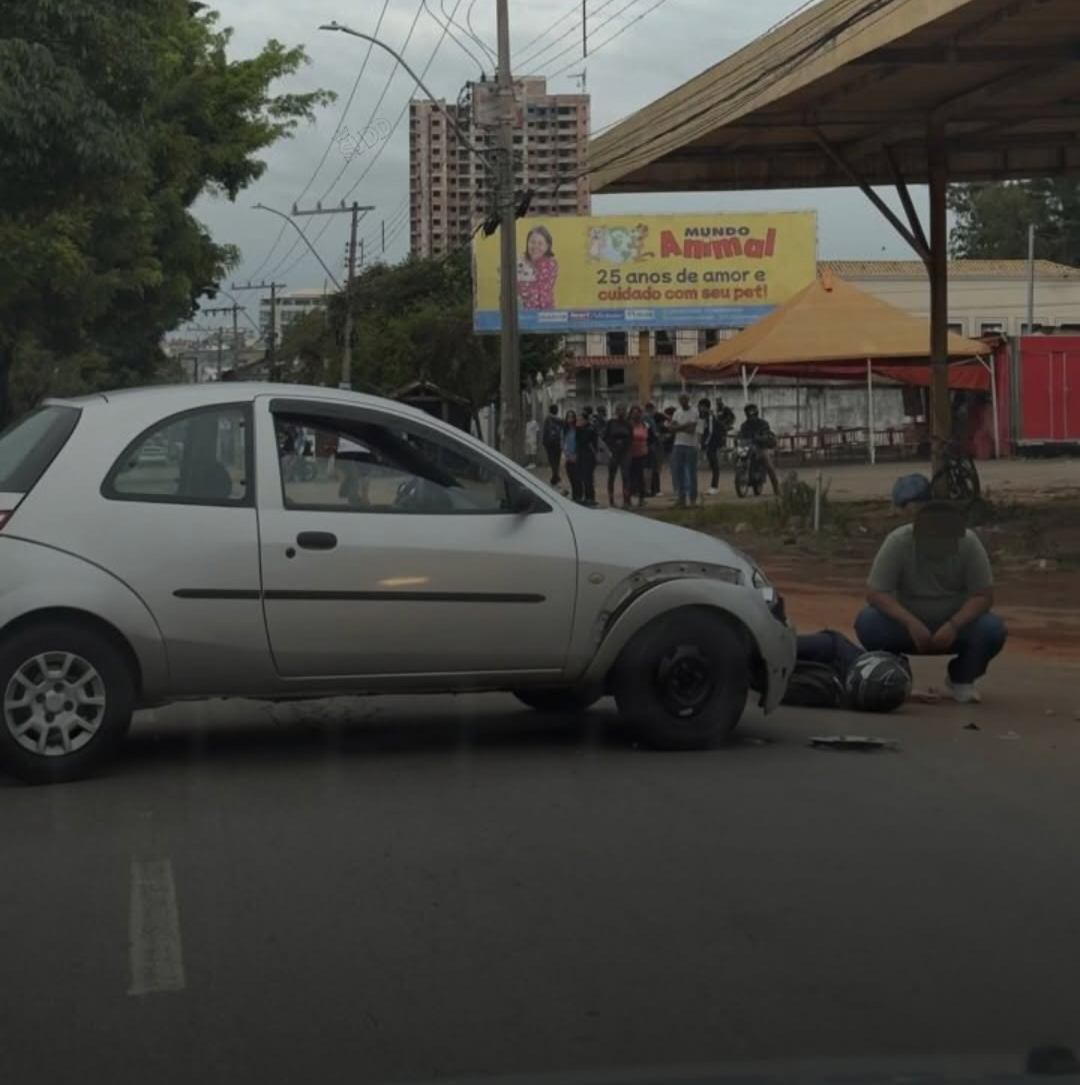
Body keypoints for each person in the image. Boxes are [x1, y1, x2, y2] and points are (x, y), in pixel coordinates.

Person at [854, 474, 1008, 704]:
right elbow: (876, 593)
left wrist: (953, 625)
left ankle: (962, 678)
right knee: (868, 622)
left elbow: (983, 596)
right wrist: (911, 622)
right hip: (907, 627)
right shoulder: (898, 542)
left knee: (992, 629)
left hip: (955, 625)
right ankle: (896, 675)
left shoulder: (969, 544)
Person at [737, 404, 780, 496]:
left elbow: (766, 433)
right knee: (735, 455)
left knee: (769, 466)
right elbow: (741, 435)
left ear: (756, 412)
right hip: (747, 447)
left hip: (760, 448)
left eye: (752, 411)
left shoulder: (763, 423)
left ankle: (776, 488)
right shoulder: (744, 425)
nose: (751, 413)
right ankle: (740, 476)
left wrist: (762, 437)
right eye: (749, 411)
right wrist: (738, 438)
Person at [669, 392, 701, 507]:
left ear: (688, 400)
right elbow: (671, 428)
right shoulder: (677, 412)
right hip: (678, 444)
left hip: (691, 445)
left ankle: (693, 499)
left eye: (684, 399)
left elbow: (691, 429)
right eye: (680, 399)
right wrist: (684, 426)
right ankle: (681, 498)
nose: (682, 401)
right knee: (678, 472)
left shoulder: (694, 411)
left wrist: (678, 427)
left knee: (692, 473)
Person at [516, 226, 558, 310]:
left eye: (540, 243)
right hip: (521, 313)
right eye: (532, 242)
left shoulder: (551, 264)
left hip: (544, 314)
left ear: (547, 246)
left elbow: (536, 288)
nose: (535, 246)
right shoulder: (519, 260)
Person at [603, 403, 633, 507]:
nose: (620, 411)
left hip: (625, 453)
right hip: (613, 453)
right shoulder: (611, 423)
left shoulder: (628, 424)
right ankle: (611, 500)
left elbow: (631, 438)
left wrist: (628, 451)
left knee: (626, 476)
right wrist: (609, 449)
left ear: (625, 412)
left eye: (622, 410)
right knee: (611, 476)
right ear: (615, 411)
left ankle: (626, 500)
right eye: (618, 409)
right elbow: (605, 437)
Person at [627, 405, 650, 508]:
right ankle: (628, 499)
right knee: (629, 477)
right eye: (634, 412)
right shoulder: (627, 425)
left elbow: (649, 437)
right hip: (630, 455)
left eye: (638, 412)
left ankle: (641, 499)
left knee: (641, 477)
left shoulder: (644, 425)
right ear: (631, 414)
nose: (636, 414)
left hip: (642, 454)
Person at [576, 410, 599, 507]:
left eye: (581, 420)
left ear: (585, 420)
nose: (578, 422)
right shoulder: (582, 429)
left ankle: (590, 498)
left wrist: (578, 429)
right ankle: (584, 497)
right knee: (582, 477)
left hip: (588, 456)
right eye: (578, 420)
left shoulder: (589, 430)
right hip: (582, 455)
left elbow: (584, 441)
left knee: (587, 478)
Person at [542, 404, 564, 487]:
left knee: (552, 461)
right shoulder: (560, 420)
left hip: (550, 444)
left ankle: (555, 476)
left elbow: (545, 432)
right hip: (557, 443)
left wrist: (544, 443)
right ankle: (555, 476)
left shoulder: (547, 419)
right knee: (557, 461)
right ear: (557, 410)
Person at [562, 409, 581, 502]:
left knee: (578, 481)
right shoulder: (564, 431)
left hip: (577, 459)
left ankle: (578, 498)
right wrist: (568, 455)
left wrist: (576, 455)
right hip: (568, 460)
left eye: (572, 417)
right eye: (568, 416)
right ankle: (574, 499)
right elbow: (563, 444)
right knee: (572, 481)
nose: (570, 419)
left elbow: (580, 443)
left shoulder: (578, 430)